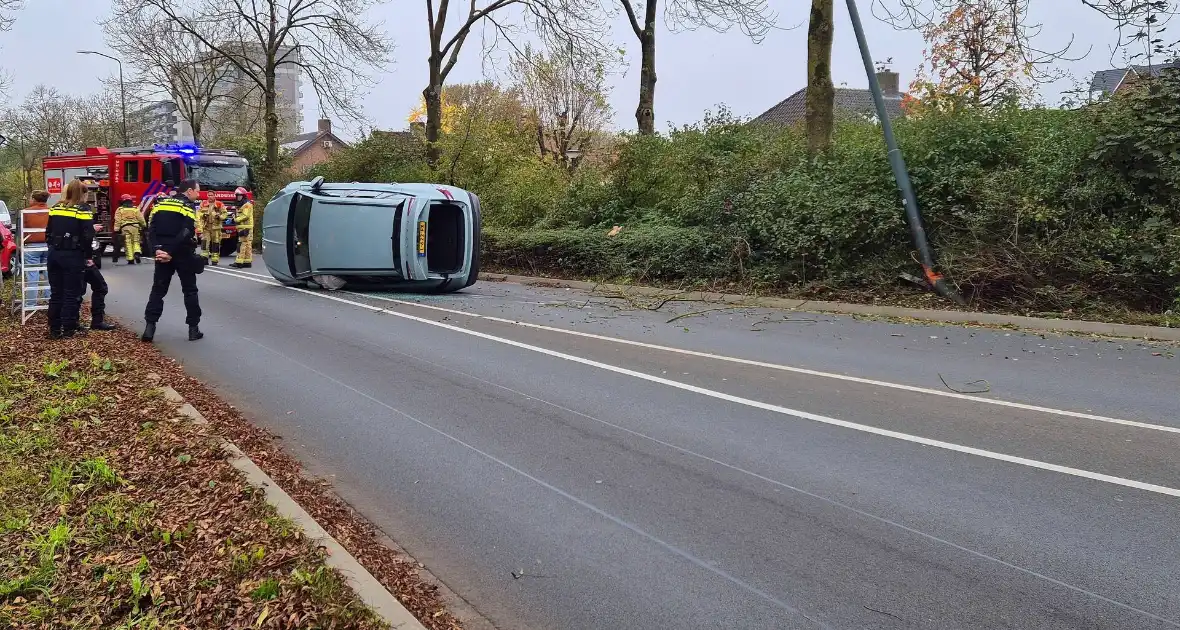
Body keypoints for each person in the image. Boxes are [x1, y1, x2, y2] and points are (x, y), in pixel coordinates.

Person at [142, 179, 204, 343]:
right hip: (182, 253)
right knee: (190, 291)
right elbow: (186, 231)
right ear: (189, 191)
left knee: (158, 291)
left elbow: (151, 230)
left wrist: (158, 249)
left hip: (162, 253)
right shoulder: (188, 206)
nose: (198, 195)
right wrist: (171, 251)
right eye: (197, 191)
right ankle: (193, 329)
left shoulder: (160, 204)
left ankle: (149, 328)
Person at [44, 180, 95, 338]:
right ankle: (68, 329)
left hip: (54, 254)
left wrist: (52, 247)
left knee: (56, 293)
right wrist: (88, 256)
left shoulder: (55, 207)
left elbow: (48, 232)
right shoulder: (83, 210)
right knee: (71, 293)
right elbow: (88, 235)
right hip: (73, 255)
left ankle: (54, 329)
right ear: (82, 193)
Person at [77, 204, 115, 331]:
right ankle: (93, 322)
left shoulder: (63, 210)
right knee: (97, 288)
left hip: (75, 258)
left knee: (82, 290)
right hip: (82, 260)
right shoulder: (81, 211)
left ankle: (73, 323)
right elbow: (84, 236)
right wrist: (88, 258)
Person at [20, 190, 51, 309]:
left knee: (32, 275)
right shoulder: (51, 211)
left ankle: (31, 303)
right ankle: (50, 300)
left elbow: (21, 230)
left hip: (31, 247)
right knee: (49, 273)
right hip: (48, 245)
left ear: (34, 199)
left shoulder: (26, 212)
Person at [114, 194, 146, 264]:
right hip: (135, 227)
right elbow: (141, 218)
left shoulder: (120, 209)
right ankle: (137, 252)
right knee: (136, 241)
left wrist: (116, 230)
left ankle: (130, 259)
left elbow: (117, 220)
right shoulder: (135, 209)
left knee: (127, 243)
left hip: (125, 228)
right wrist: (144, 225)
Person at [230, 187, 254, 268]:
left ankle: (239, 262)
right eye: (237, 196)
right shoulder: (242, 204)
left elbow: (245, 215)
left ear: (243, 196)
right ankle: (247, 261)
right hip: (244, 227)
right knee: (247, 245)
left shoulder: (247, 205)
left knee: (241, 245)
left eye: (239, 195)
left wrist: (235, 219)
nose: (238, 197)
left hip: (245, 228)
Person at [198, 197, 225, 265]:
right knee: (205, 242)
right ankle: (204, 258)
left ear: (214, 196)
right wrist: (203, 215)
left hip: (216, 227)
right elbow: (198, 213)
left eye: (211, 195)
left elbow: (225, 214)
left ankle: (214, 260)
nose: (210, 196)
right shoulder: (203, 203)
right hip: (206, 227)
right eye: (209, 195)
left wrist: (219, 216)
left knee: (216, 243)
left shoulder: (219, 204)